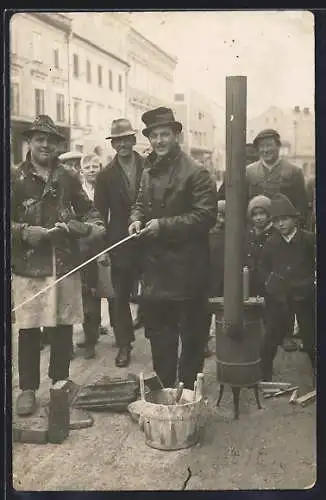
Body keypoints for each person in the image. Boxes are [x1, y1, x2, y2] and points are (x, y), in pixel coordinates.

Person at [11, 115, 101, 416]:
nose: (45, 145)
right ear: (29, 142)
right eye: (39, 139)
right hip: (29, 266)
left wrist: (79, 228)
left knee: (63, 327)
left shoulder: (67, 177)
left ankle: (60, 382)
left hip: (64, 264)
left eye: (51, 140)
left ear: (58, 144)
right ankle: (27, 389)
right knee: (29, 328)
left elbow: (92, 214)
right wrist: (24, 232)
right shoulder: (15, 177)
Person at [128, 106, 217, 389]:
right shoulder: (148, 169)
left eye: (164, 134)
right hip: (156, 273)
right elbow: (140, 202)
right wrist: (136, 219)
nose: (159, 141)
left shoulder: (197, 172)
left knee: (192, 337)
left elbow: (205, 217)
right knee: (160, 336)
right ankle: (166, 391)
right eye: (154, 136)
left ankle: (188, 392)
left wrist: (163, 226)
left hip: (188, 272)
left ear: (176, 135)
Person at [94, 119, 145, 367]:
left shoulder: (150, 165)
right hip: (120, 242)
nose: (123, 143)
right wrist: (102, 247)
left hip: (150, 238)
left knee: (158, 290)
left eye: (127, 138)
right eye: (118, 140)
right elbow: (99, 214)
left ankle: (162, 338)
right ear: (113, 144)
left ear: (134, 140)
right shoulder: (105, 175)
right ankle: (124, 344)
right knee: (120, 295)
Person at [258, 193, 316, 382]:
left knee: (311, 335)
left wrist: (311, 281)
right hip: (280, 297)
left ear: (294, 219)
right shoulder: (271, 243)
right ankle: (264, 374)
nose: (280, 224)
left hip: (304, 295)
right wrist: (270, 282)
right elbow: (262, 267)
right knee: (271, 337)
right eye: (276, 221)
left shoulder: (308, 240)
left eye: (284, 219)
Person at [217, 129, 308, 223]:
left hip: (282, 228)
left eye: (269, 145)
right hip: (255, 228)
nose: (265, 150)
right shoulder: (249, 172)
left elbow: (301, 205)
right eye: (262, 146)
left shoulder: (294, 171)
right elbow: (242, 203)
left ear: (278, 146)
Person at [75, 153, 108, 359]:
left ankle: (93, 336)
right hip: (80, 245)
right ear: (81, 172)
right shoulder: (77, 191)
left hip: (101, 244)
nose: (92, 170)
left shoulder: (104, 189)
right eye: (87, 167)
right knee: (81, 292)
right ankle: (89, 337)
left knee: (96, 292)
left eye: (95, 166)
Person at [246, 195, 277, 297]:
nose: (258, 218)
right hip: (250, 286)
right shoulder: (249, 234)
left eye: (262, 213)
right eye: (254, 214)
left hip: (268, 287)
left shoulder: (275, 234)